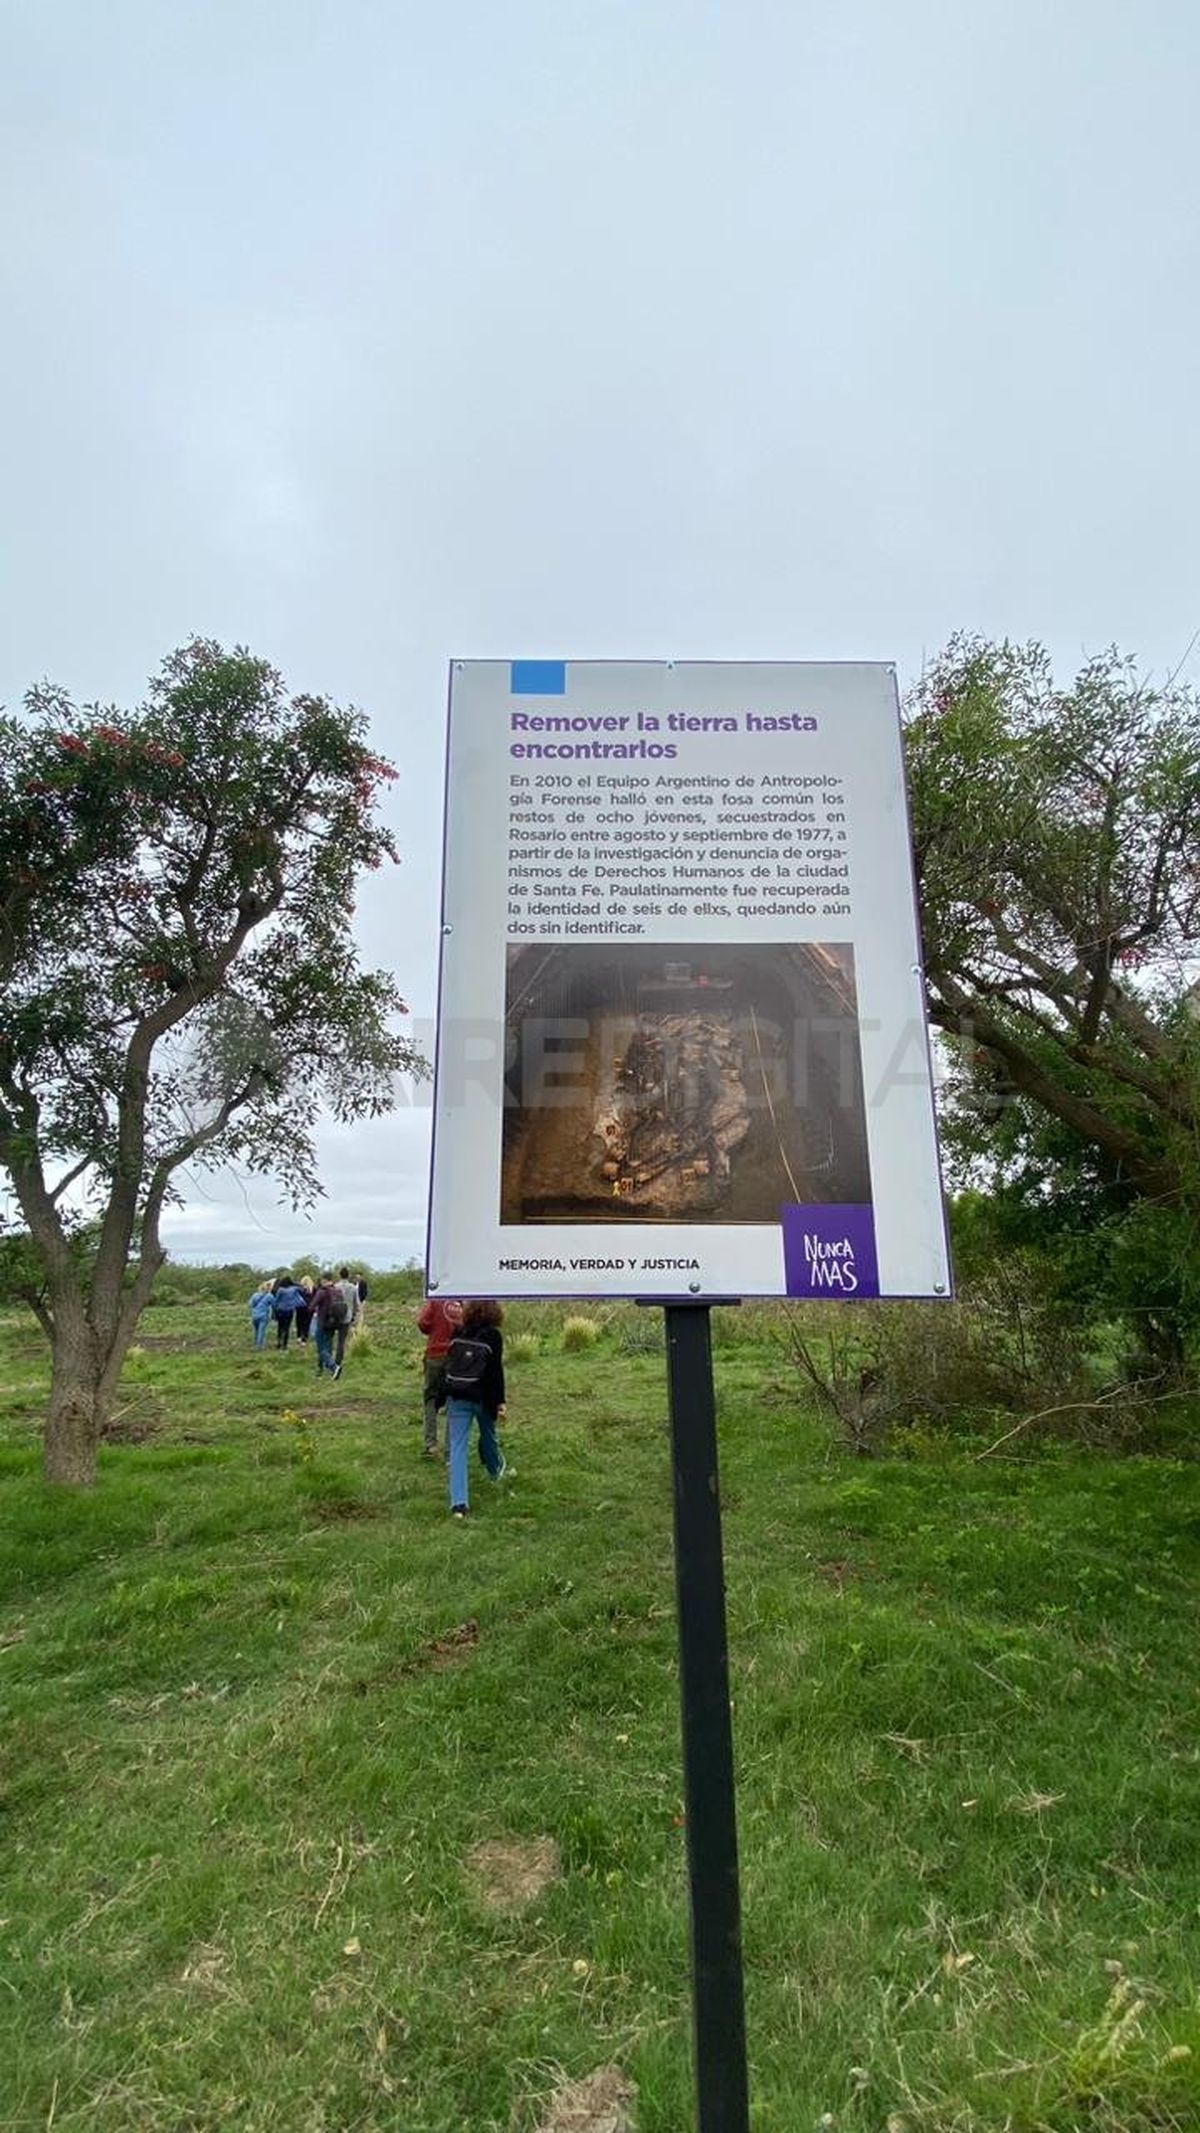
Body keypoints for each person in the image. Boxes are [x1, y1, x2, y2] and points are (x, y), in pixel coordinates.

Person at [445, 1298, 510, 1518]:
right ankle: (496, 1473)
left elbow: (450, 1364)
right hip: (483, 1397)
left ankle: (459, 1504)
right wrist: (500, 1403)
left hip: (457, 1395)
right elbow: (496, 1372)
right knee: (489, 1436)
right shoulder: (493, 1336)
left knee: (458, 1448)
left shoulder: (457, 1332)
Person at [416, 1293, 463, 1458]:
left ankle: (431, 1445)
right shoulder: (462, 1300)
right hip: (456, 1355)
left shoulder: (436, 1299)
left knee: (430, 1398)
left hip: (435, 1354)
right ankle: (451, 1450)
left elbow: (423, 1323)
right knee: (453, 1399)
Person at [310, 1270, 343, 1377]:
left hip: (322, 1321)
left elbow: (311, 1306)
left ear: (324, 1280)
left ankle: (333, 1366)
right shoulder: (338, 1290)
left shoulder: (322, 1291)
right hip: (334, 1322)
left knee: (320, 1348)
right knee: (328, 1347)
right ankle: (323, 1371)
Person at [333, 1265, 360, 1369]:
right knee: (341, 1341)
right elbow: (356, 1303)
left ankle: (330, 1360)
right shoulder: (353, 1288)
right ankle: (338, 1362)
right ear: (348, 1276)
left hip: (335, 1315)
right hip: (347, 1316)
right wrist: (355, 1316)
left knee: (332, 1338)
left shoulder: (335, 1286)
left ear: (340, 1275)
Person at [272, 1273, 304, 1350]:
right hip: (289, 1310)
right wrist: (295, 1283)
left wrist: (275, 1309)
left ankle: (279, 1343)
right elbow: (302, 1288)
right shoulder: (294, 1289)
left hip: (280, 1310)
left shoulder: (280, 1290)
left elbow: (276, 1300)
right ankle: (284, 1345)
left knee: (280, 1327)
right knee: (287, 1328)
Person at [249, 1280, 274, 1351]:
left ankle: (256, 1344)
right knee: (262, 1331)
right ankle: (260, 1347)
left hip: (255, 1315)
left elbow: (250, 1304)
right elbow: (274, 1304)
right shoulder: (269, 1296)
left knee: (256, 1331)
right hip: (264, 1315)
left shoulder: (255, 1295)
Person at [294, 1275, 315, 1345]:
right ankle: (304, 1339)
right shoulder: (313, 1289)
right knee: (307, 1324)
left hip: (300, 1307)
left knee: (299, 1322)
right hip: (309, 1308)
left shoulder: (299, 1289)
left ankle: (299, 1336)